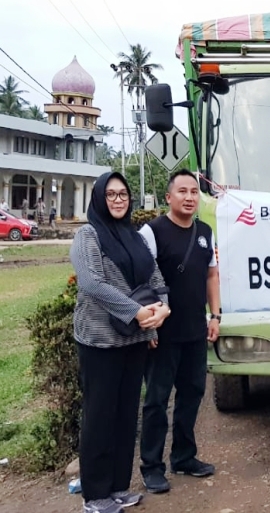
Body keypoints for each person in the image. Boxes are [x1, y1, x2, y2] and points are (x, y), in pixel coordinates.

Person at [70, 171, 171, 513]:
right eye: (111, 194)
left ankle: (118, 486)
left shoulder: (134, 237)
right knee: (100, 415)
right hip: (100, 341)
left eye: (123, 194)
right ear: (99, 198)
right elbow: (92, 284)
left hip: (135, 341)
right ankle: (95, 495)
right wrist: (139, 312)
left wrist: (162, 311)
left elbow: (155, 277)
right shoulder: (88, 235)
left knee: (127, 414)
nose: (117, 200)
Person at [139, 169, 221, 494]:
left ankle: (184, 457)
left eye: (193, 192)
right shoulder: (152, 232)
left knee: (192, 395)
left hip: (194, 331)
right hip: (162, 333)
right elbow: (141, 282)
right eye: (182, 192)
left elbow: (212, 276)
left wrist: (215, 315)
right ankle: (151, 466)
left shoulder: (205, 231)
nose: (189, 197)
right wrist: (148, 328)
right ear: (168, 197)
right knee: (157, 400)